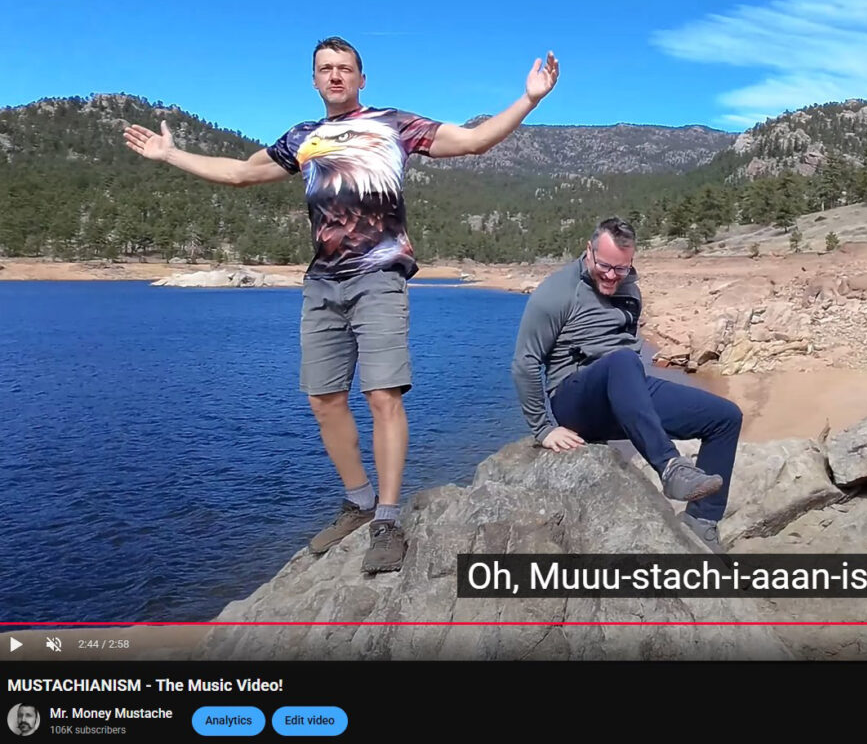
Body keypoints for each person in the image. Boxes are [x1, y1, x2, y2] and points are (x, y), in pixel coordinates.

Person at [124, 37, 559, 573]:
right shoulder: (303, 138)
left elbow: (473, 141)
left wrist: (529, 99)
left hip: (379, 277)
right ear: (314, 80)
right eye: (325, 69)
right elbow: (239, 173)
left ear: (361, 79)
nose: (335, 75)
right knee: (324, 399)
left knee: (383, 395)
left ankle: (388, 520)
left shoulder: (393, 124)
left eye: (345, 68)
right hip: (322, 284)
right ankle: (359, 501)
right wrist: (170, 154)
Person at [510, 217, 743, 553]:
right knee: (623, 360)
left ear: (631, 260)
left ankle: (702, 523)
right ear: (588, 251)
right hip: (576, 398)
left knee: (725, 418)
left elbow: (625, 343)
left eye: (620, 268)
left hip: (624, 385)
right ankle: (670, 468)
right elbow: (525, 361)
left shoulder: (630, 290)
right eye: (604, 266)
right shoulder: (556, 293)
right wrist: (543, 428)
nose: (611, 276)